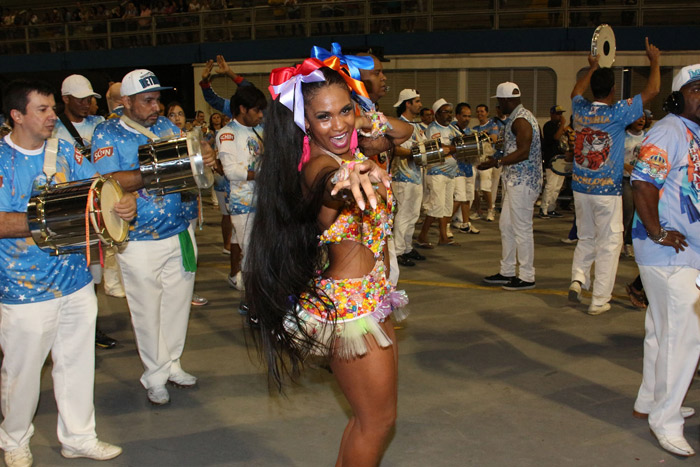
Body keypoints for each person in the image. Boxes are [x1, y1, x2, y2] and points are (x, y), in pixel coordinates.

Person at [247, 59, 410, 467]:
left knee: (369, 420)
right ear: (304, 122)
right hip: (349, 308)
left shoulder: (353, 147)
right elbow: (329, 186)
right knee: (376, 422)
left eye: (344, 110)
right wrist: (346, 178)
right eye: (323, 116)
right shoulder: (319, 166)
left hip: (372, 297)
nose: (337, 125)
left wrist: (365, 111)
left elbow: (405, 131)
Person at [0, 80, 134, 466]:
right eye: (41, 110)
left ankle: (79, 436)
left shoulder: (67, 153)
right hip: (24, 288)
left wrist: (122, 206)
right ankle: (14, 438)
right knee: (22, 372)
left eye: (51, 109)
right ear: (17, 115)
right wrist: (55, 218)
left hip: (75, 281)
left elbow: (100, 189)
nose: (51, 116)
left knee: (76, 363)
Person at [92, 69, 210, 406]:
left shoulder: (166, 127)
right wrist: (162, 170)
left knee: (176, 304)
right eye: (147, 100)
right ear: (126, 101)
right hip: (139, 239)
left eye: (157, 99)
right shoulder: (107, 132)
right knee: (146, 310)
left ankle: (172, 363)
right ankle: (154, 374)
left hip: (178, 230)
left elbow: (190, 161)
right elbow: (108, 180)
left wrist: (201, 157)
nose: (155, 106)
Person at [630, 64, 700, 457]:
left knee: (661, 330)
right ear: (677, 96)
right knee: (684, 337)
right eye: (697, 89)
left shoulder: (691, 132)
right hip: (670, 252)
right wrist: (658, 231)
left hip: (682, 252)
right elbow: (642, 182)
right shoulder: (669, 130)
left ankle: (651, 400)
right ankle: (666, 419)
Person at [568, 38, 660, 315]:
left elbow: (576, 90)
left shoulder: (580, 109)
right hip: (606, 190)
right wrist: (655, 61)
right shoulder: (618, 112)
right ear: (613, 90)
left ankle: (578, 278)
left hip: (580, 187)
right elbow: (653, 89)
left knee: (586, 236)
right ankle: (599, 300)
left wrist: (593, 68)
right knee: (610, 242)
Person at [52, 74, 122, 349]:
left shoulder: (101, 126)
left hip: (94, 207)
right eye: (79, 99)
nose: (85, 104)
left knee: (93, 269)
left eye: (89, 99)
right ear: (65, 99)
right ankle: (60, 328)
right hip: (66, 206)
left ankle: (90, 328)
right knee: (65, 267)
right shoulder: (54, 127)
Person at [480, 82, 542, 290]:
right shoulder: (516, 118)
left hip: (524, 182)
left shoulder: (521, 120)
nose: (498, 107)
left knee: (522, 228)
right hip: (515, 180)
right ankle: (507, 271)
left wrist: (497, 162)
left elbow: (523, 151)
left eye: (499, 102)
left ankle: (526, 275)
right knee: (506, 225)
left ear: (507, 100)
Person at [215, 85, 266, 295]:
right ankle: (251, 298)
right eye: (257, 110)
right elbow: (231, 171)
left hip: (262, 200)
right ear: (243, 109)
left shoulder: (260, 130)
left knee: (254, 250)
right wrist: (261, 175)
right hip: (243, 204)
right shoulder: (228, 134)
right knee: (252, 254)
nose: (261, 115)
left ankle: (246, 287)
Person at [164, 101, 209, 307]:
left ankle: (187, 292)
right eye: (172, 115)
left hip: (189, 201)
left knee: (189, 250)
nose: (177, 118)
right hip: (169, 208)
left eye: (180, 114)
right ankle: (174, 295)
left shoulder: (191, 139)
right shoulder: (163, 140)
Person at [416, 99, 460, 247]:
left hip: (450, 173)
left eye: (450, 112)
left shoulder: (453, 129)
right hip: (437, 173)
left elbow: (459, 144)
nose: (449, 115)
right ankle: (422, 236)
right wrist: (454, 148)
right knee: (436, 206)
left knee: (446, 207)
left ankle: (443, 237)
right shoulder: (432, 129)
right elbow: (439, 148)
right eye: (445, 112)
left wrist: (453, 148)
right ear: (437, 114)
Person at [392, 88, 427, 267]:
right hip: (402, 176)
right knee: (404, 215)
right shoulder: (397, 125)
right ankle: (397, 251)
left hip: (416, 176)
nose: (420, 104)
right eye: (417, 101)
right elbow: (393, 149)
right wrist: (414, 154)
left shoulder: (418, 127)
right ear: (408, 103)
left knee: (413, 214)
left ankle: (406, 247)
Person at [449, 102, 479, 234]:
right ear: (457, 116)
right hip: (456, 170)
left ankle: (465, 223)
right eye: (464, 116)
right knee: (459, 197)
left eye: (469, 116)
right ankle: (445, 224)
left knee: (468, 197)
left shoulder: (469, 132)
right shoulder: (451, 130)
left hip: (468, 168)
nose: (467, 119)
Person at [622, 115, 646, 257]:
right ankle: (621, 242)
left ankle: (629, 243)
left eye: (643, 118)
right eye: (638, 118)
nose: (641, 120)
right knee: (627, 212)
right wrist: (626, 166)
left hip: (642, 182)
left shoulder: (648, 137)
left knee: (639, 213)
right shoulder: (623, 136)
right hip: (626, 180)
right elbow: (615, 156)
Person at [539, 104, 568, 218]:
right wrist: (563, 125)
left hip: (561, 159)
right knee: (550, 185)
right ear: (552, 114)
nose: (560, 116)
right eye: (557, 114)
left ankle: (551, 208)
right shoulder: (549, 125)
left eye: (561, 114)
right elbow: (555, 137)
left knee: (557, 186)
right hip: (551, 159)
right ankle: (544, 208)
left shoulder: (559, 127)